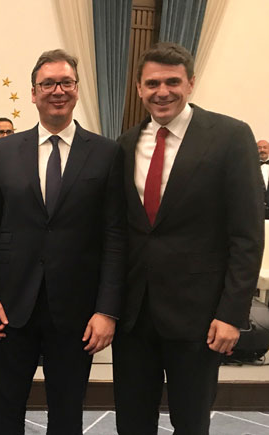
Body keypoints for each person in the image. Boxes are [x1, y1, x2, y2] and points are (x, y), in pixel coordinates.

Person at [113, 42, 264, 435]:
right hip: (134, 317)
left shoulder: (231, 137)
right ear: (139, 88)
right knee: (131, 423)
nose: (162, 91)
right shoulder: (126, 144)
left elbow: (247, 236)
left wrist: (232, 315)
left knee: (191, 423)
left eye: (172, 82)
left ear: (191, 83)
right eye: (152, 83)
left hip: (200, 318)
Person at [0, 49, 126, 434]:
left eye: (65, 83)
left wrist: (107, 310)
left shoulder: (107, 153)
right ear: (33, 92)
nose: (57, 91)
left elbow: (114, 236)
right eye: (47, 84)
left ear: (77, 89)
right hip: (10, 305)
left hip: (78, 309)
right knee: (5, 409)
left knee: (67, 412)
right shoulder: (4, 151)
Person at [258, 140, 269, 218]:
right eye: (259, 148)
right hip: (257, 211)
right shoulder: (250, 167)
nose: (262, 150)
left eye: (265, 147)